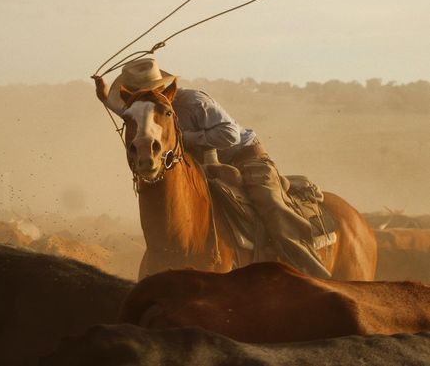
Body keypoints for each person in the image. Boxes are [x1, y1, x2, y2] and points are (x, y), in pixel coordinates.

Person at [92, 58, 331, 279]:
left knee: (270, 206)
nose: (142, 98)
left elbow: (230, 134)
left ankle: (311, 271)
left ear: (164, 90)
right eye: (136, 95)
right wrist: (105, 99)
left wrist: (182, 138)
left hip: (244, 157)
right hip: (202, 163)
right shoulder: (143, 107)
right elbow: (136, 115)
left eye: (147, 92)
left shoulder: (194, 102)